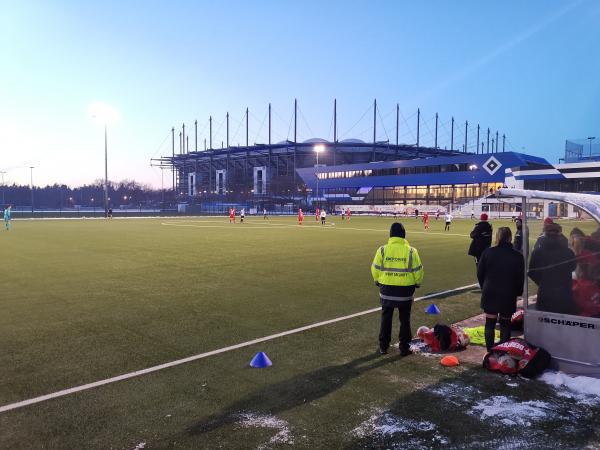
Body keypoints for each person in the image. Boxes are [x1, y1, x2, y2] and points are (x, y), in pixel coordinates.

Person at [371, 222, 425, 356]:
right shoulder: (412, 251)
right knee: (404, 319)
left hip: (386, 290)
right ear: (404, 236)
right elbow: (418, 271)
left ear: (390, 235)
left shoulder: (382, 250)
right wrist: (417, 283)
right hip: (405, 291)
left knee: (386, 317)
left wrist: (377, 280)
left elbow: (375, 269)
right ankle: (404, 348)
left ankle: (383, 347)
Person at [477, 227, 525, 351]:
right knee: (505, 323)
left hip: (490, 291)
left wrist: (484, 287)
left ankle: (489, 351)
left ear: (497, 237)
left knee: (490, 323)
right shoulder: (517, 256)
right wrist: (517, 292)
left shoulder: (488, 252)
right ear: (510, 238)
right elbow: (520, 278)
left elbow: (480, 273)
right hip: (508, 293)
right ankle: (503, 351)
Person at [528, 220, 576, 314]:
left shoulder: (537, 252)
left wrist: (543, 282)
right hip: (564, 293)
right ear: (559, 234)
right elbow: (573, 268)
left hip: (545, 293)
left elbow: (532, 272)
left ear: (545, 233)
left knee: (544, 322)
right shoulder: (568, 252)